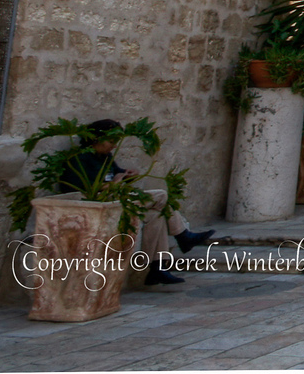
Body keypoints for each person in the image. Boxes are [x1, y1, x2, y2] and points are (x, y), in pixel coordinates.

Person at [67, 119, 214, 287]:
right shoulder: (80, 159)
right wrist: (114, 183)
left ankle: (157, 268)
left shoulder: (105, 157)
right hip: (100, 206)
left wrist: (129, 175)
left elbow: (118, 174)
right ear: (96, 138)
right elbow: (84, 190)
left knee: (156, 214)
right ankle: (182, 235)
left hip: (119, 201)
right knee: (160, 195)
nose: (114, 145)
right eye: (111, 141)